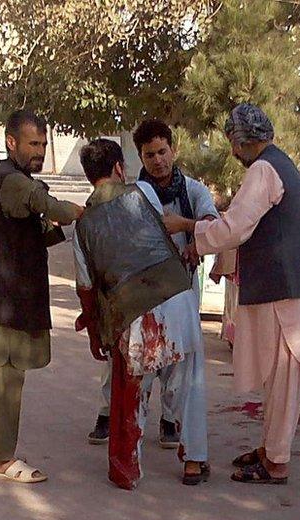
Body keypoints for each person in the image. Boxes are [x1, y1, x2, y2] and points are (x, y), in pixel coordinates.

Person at [163, 104, 300, 485]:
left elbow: (236, 227)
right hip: (287, 289)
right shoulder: (279, 164)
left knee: (284, 378)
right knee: (277, 377)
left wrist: (188, 227)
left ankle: (277, 463)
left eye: (233, 145)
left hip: (286, 293)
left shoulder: (263, 170)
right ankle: (271, 449)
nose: (233, 154)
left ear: (240, 140)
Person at [73, 138, 209, 488]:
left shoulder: (83, 225)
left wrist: (95, 333)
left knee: (129, 393)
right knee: (189, 384)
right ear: (120, 167)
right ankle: (194, 459)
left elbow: (86, 287)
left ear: (90, 176)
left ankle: (126, 469)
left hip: (134, 316)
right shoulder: (144, 193)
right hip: (178, 299)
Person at [0, 110, 85, 484]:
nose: (40, 151)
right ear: (11, 142)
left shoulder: (4, 176)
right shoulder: (13, 182)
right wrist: (87, 210)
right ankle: (3, 460)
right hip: (4, 302)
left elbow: (38, 225)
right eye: (33, 143)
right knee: (6, 378)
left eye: (44, 144)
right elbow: (51, 208)